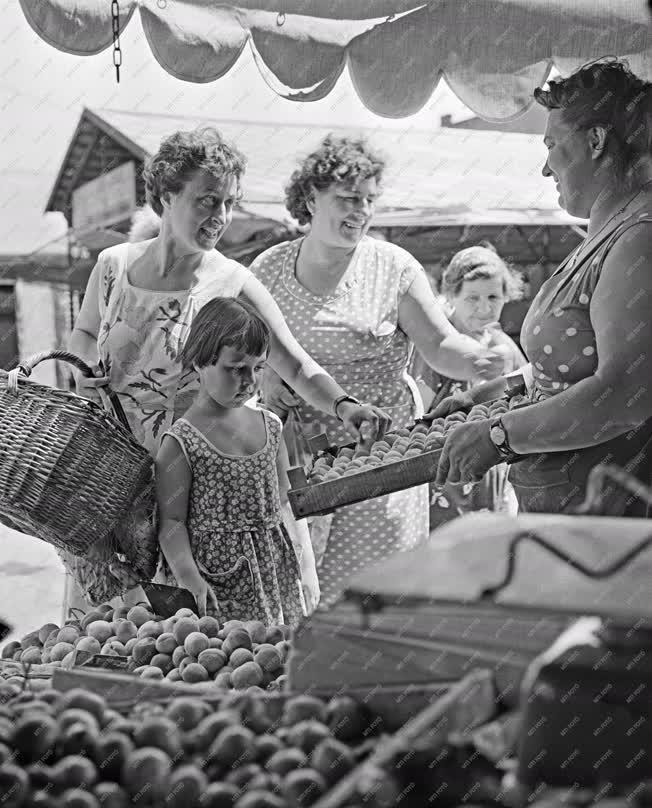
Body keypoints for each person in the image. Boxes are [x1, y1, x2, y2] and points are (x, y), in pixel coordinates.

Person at [63, 126, 388, 612]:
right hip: (118, 483)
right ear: (166, 195)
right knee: (118, 635)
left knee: (205, 639)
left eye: (229, 203)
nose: (220, 217)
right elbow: (85, 332)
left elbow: (294, 364)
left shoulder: (233, 281)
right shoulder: (113, 266)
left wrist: (344, 405)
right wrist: (83, 365)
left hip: (205, 496)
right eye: (207, 201)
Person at [251, 134, 508, 607]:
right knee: (300, 590)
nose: (361, 210)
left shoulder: (393, 266)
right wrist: (265, 374)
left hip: (380, 454)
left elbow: (438, 344)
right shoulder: (268, 269)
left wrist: (475, 358)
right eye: (348, 198)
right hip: (294, 457)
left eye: (369, 199)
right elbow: (244, 351)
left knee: (376, 592)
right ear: (310, 198)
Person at [433, 59, 652, 516]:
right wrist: (489, 394)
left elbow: (625, 393)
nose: (545, 169)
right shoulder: (606, 236)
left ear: (595, 141)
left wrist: (499, 435)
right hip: (567, 513)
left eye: (551, 144)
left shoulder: (639, 240)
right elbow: (572, 365)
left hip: (609, 523)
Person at [155, 297, 317, 624]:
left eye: (258, 368)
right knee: (224, 660)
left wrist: (308, 566)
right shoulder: (180, 443)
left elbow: (287, 502)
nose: (250, 381)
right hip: (213, 581)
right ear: (200, 361)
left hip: (276, 571)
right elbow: (171, 523)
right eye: (235, 368)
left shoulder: (271, 427)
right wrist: (190, 579)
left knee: (274, 658)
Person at [411, 243, 526, 525]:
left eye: (493, 297)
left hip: (493, 473)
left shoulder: (503, 344)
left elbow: (532, 393)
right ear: (451, 294)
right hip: (444, 475)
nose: (485, 307)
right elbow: (418, 416)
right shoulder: (438, 350)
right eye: (472, 298)